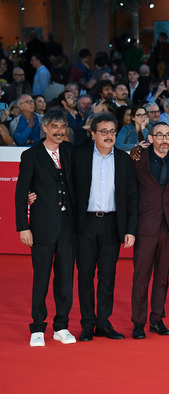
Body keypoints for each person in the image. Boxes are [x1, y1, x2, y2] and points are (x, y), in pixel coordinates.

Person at [72, 112, 138, 341]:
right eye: (104, 131)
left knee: (108, 276)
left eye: (112, 131)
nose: (109, 136)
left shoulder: (123, 159)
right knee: (85, 275)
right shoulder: (78, 156)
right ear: (92, 134)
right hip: (85, 223)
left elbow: (132, 197)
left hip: (112, 223)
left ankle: (103, 323)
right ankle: (87, 324)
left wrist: (130, 229)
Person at [15, 108, 77, 347]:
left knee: (65, 279)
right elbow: (21, 193)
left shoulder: (70, 151)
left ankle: (61, 326)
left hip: (68, 227)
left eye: (63, 127)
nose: (60, 131)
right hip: (41, 226)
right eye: (55, 127)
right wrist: (24, 227)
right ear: (45, 128)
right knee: (41, 278)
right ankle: (37, 328)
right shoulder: (31, 155)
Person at [131, 122, 169, 339]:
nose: (164, 139)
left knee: (163, 276)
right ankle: (138, 322)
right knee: (141, 276)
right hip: (146, 225)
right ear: (150, 138)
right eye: (159, 135)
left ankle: (157, 319)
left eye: (168, 135)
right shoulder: (137, 157)